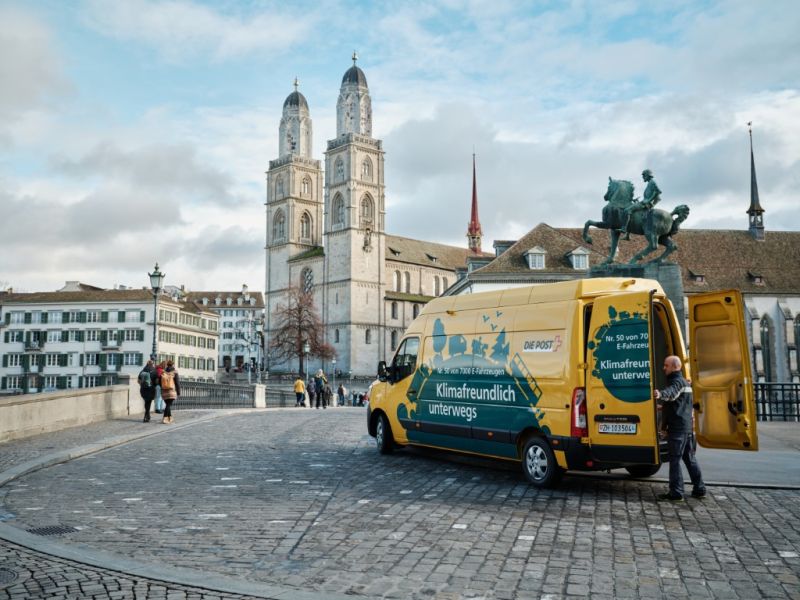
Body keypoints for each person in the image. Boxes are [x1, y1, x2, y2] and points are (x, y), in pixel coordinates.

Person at [654, 355, 706, 502]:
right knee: (689, 459)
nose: (664, 368)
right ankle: (699, 489)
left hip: (677, 429)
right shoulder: (686, 383)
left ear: (675, 367)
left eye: (666, 365)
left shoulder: (677, 382)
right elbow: (679, 404)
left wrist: (660, 394)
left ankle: (676, 492)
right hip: (686, 427)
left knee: (675, 460)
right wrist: (661, 407)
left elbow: (671, 394)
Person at [621, 169, 661, 239]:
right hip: (644, 202)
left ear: (648, 175)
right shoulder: (650, 183)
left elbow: (658, 192)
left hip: (645, 204)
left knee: (627, 210)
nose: (643, 177)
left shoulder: (652, 182)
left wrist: (649, 201)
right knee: (631, 209)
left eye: (644, 175)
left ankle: (624, 228)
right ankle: (627, 236)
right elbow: (657, 195)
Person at [158, 359, 181, 424]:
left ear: (167, 365)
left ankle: (170, 417)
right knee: (168, 404)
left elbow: (159, 382)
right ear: (173, 365)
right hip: (171, 391)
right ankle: (165, 418)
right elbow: (177, 383)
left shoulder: (163, 372)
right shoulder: (174, 372)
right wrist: (178, 392)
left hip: (164, 391)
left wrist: (163, 387)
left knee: (168, 404)